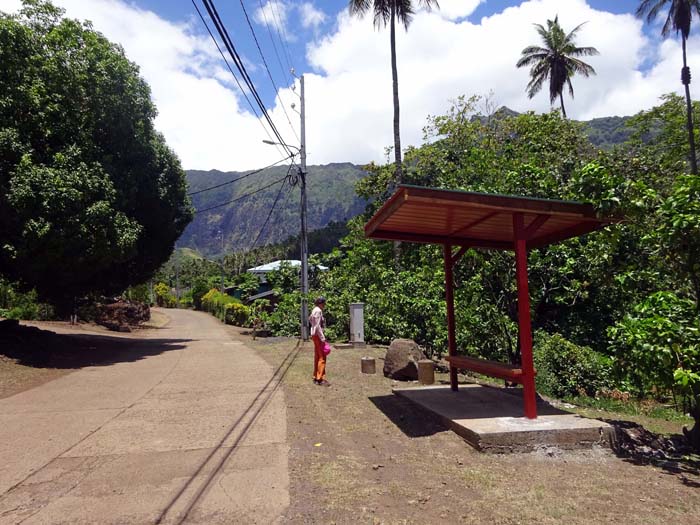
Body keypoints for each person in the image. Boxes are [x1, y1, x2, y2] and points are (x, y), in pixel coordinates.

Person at [309, 296, 330, 386]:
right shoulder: (318, 311)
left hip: (314, 335)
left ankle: (315, 376)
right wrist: (322, 338)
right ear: (321, 303)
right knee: (322, 357)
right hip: (317, 336)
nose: (324, 305)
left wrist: (313, 328)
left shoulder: (314, 310)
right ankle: (320, 378)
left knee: (317, 356)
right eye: (324, 303)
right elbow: (317, 326)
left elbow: (310, 319)